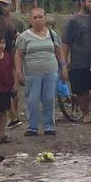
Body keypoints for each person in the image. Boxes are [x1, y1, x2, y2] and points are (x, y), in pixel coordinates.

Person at [15, 7, 61, 137]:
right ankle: (32, 127)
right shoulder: (24, 37)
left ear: (45, 18)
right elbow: (18, 55)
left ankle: (49, 127)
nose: (38, 20)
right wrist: (19, 72)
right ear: (31, 20)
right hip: (32, 72)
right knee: (32, 100)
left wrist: (63, 67)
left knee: (49, 99)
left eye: (41, 17)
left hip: (51, 71)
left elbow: (58, 51)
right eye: (35, 17)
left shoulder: (52, 34)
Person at [0, 32, 14, 143]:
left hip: (5, 89)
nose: (1, 45)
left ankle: (3, 134)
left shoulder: (8, 56)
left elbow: (12, 71)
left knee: (3, 112)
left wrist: (14, 84)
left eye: (3, 42)